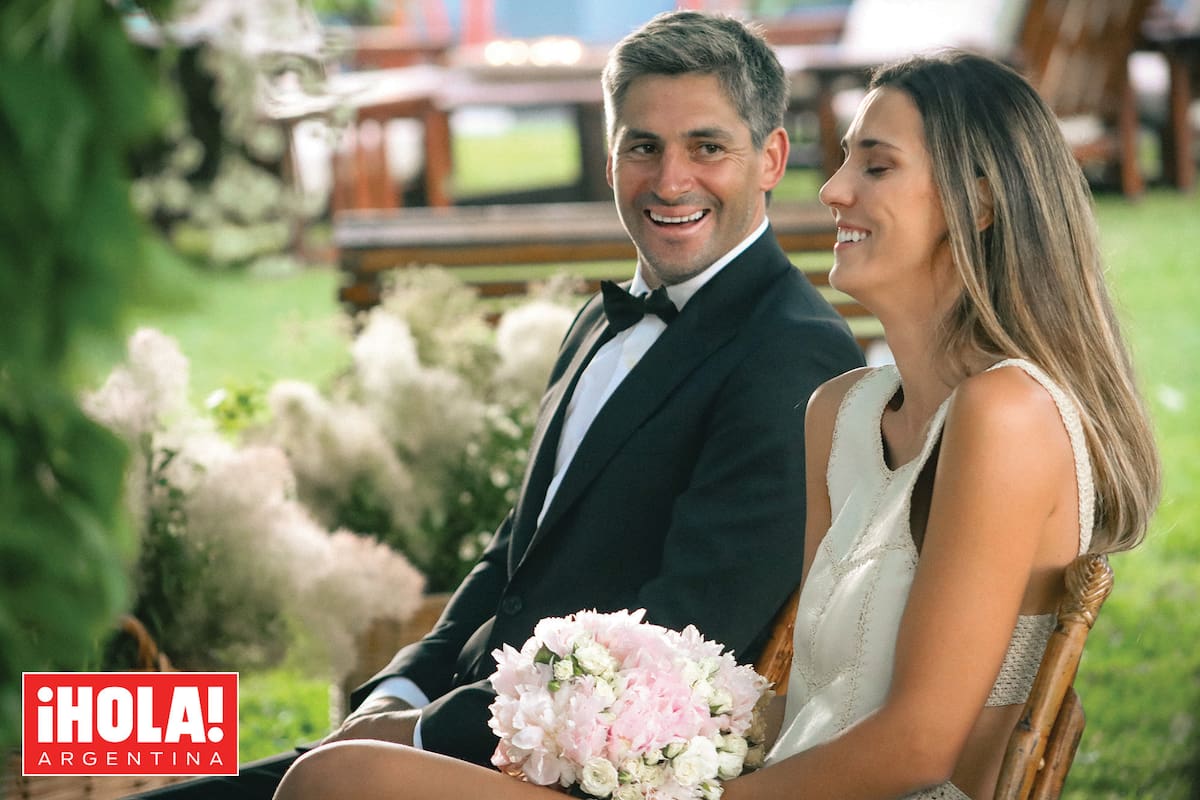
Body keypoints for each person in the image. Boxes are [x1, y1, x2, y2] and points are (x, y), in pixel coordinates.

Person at [272, 48, 1162, 800]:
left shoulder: (1006, 413)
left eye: (877, 165)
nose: (838, 187)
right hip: (756, 781)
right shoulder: (840, 415)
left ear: (978, 202)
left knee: (341, 783)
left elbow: (921, 743)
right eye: (843, 157)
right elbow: (790, 693)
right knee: (336, 772)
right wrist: (639, 749)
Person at [138, 10, 862, 799]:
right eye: (642, 146)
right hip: (464, 725)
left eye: (707, 147)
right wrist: (401, 689)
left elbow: (684, 638)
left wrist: (420, 733)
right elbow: (520, 552)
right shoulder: (599, 320)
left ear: (772, 158)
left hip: (571, 770)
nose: (670, 180)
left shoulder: (792, 354)